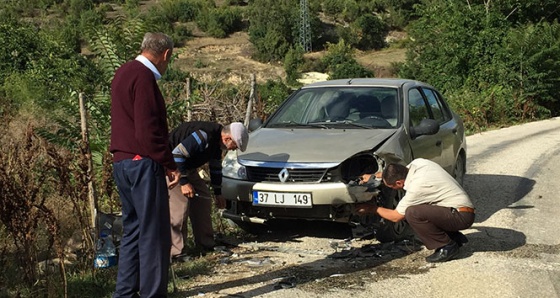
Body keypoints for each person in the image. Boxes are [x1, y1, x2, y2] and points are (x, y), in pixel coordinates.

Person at [110, 32, 180, 297]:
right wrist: (169, 163)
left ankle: (124, 293)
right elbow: (147, 131)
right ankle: (152, 294)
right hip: (142, 165)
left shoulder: (123, 72)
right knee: (154, 234)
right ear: (166, 55)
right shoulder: (144, 77)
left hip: (122, 162)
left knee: (133, 231)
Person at [356, 158, 475, 263]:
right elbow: (397, 172)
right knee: (419, 210)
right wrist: (375, 176)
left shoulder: (417, 187)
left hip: (461, 217)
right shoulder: (419, 163)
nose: (393, 189)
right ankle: (453, 237)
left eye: (392, 187)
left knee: (412, 213)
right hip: (457, 210)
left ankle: (447, 247)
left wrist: (372, 209)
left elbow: (396, 216)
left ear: (399, 182)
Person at [168, 121, 249, 261]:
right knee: (180, 205)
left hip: (187, 168)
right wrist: (184, 182)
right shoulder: (203, 135)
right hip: (172, 167)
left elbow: (215, 167)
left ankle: (206, 243)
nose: (233, 150)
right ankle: (177, 252)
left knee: (203, 199)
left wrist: (218, 192)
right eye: (235, 146)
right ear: (227, 139)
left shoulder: (217, 143)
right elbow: (177, 154)